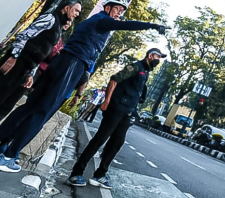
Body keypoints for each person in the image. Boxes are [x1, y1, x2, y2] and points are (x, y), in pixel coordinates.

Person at [0, 0, 166, 173]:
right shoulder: (102, 20)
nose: (120, 13)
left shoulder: (90, 23)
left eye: (122, 11)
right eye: (118, 9)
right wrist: (151, 25)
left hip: (61, 63)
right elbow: (126, 25)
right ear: (108, 7)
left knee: (30, 106)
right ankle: (9, 156)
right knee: (43, 111)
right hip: (72, 65)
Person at [0, 0, 81, 140]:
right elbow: (24, 35)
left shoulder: (58, 27)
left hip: (24, 68)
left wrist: (30, 73)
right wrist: (14, 56)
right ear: (66, 8)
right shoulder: (50, 18)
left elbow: (40, 54)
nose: (77, 14)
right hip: (16, 62)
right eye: (76, 10)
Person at [68, 48, 167, 189]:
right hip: (116, 109)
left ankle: (100, 175)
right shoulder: (135, 67)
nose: (158, 60)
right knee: (99, 140)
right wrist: (107, 101)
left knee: (117, 142)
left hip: (127, 112)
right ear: (150, 56)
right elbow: (114, 79)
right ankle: (76, 173)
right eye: (158, 57)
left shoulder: (145, 72)